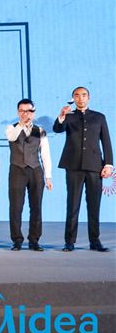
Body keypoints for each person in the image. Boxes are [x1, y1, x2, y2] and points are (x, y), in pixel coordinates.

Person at [53, 86, 113, 252]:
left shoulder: (99, 117)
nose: (80, 98)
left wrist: (108, 164)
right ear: (73, 98)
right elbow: (57, 129)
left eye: (83, 95)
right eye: (77, 95)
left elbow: (106, 141)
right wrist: (61, 116)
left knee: (94, 205)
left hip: (95, 166)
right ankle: (69, 241)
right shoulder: (68, 116)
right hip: (73, 166)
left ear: (89, 97)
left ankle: (95, 241)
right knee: (72, 204)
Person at [5, 98, 53, 252]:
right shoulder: (11, 128)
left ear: (34, 112)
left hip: (35, 170)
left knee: (36, 207)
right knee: (16, 207)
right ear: (18, 112)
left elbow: (45, 154)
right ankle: (17, 240)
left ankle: (34, 240)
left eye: (28, 111)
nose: (25, 114)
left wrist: (48, 176)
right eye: (22, 111)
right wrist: (21, 124)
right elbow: (12, 137)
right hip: (17, 170)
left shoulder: (40, 130)